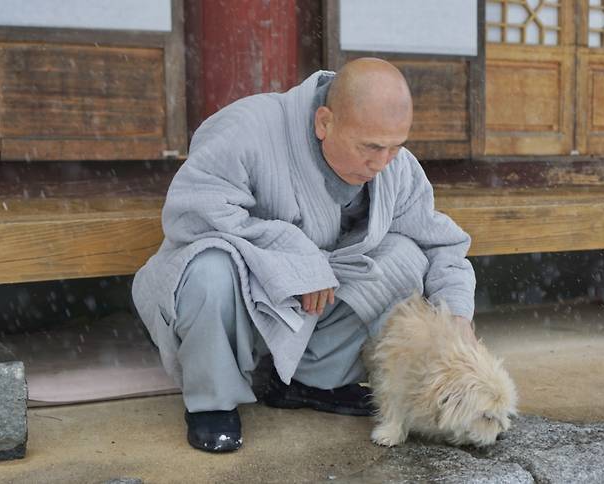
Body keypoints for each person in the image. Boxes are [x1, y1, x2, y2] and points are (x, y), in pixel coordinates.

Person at [132, 57, 476, 453]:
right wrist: (296, 259)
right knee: (211, 269)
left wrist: (457, 316)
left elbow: (440, 243)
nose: (381, 164)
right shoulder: (249, 129)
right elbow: (190, 214)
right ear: (324, 122)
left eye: (395, 147)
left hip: (320, 300)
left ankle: (305, 383)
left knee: (407, 258)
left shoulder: (397, 167)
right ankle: (212, 401)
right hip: (250, 288)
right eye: (370, 147)